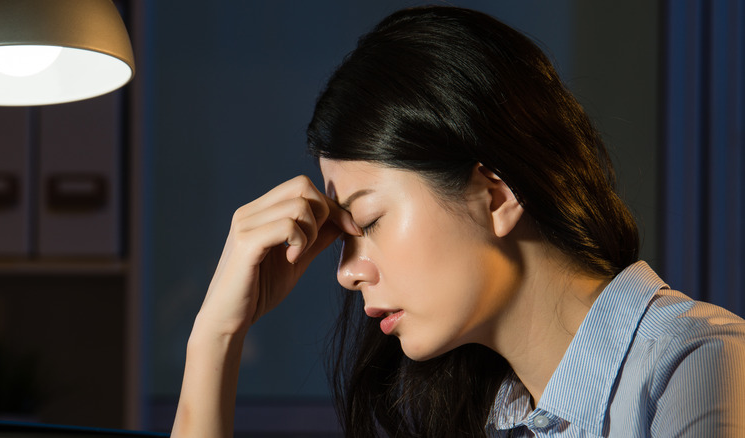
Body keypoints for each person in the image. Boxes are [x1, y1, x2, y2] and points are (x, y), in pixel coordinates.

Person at [171, 6, 745, 437]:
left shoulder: (698, 363)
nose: (346, 273)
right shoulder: (493, 413)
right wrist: (215, 336)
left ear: (495, 195)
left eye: (367, 220)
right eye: (343, 235)